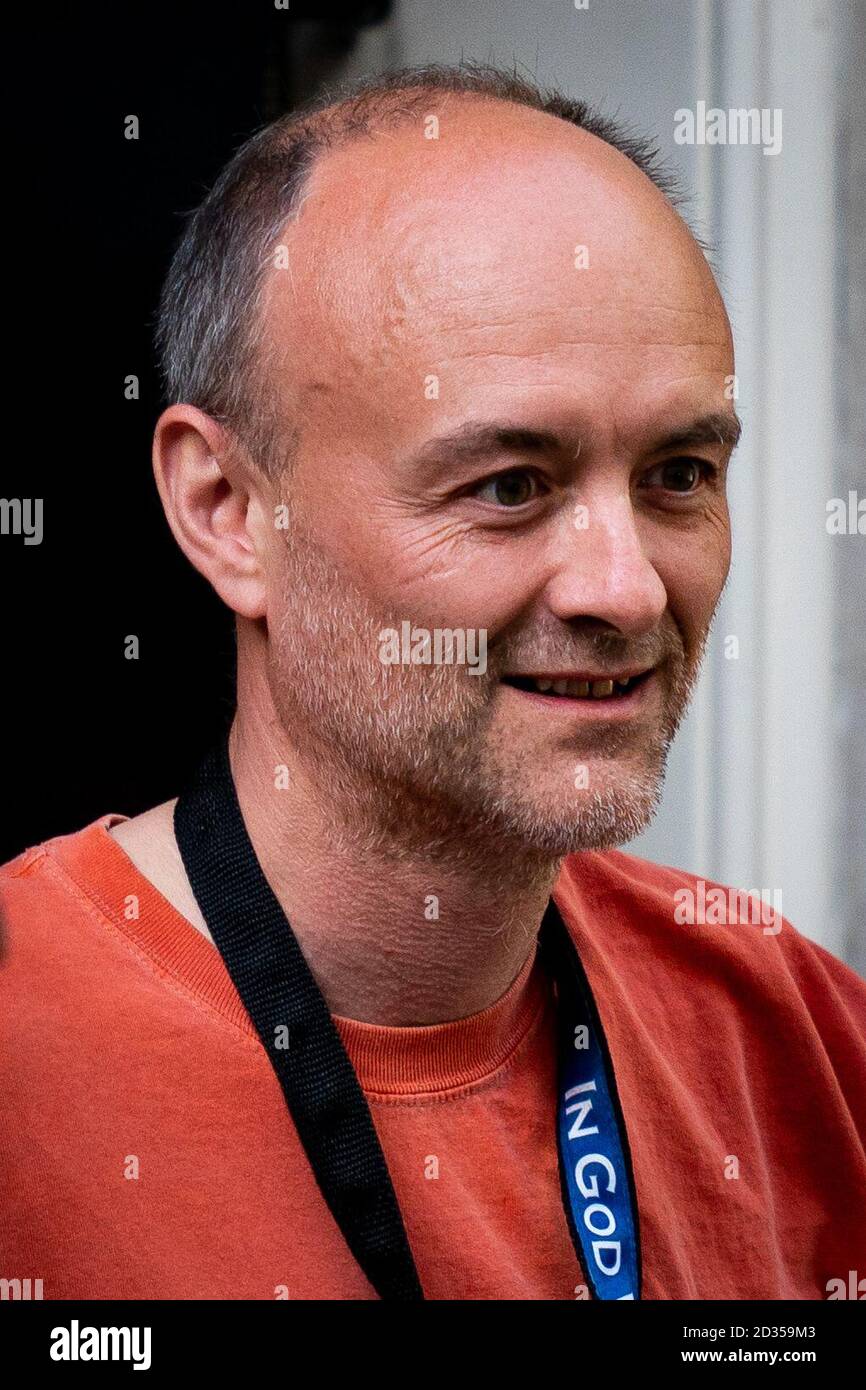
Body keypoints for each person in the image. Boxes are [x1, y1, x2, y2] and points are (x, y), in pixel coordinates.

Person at [2, 63, 864, 1302]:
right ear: (228, 510)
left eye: (677, 474)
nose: (623, 589)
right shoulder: (25, 1048)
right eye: (509, 485)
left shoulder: (791, 1033)